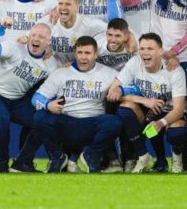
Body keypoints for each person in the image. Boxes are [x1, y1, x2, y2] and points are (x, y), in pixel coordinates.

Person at [31, 36, 122, 173]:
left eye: (87, 53)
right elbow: (36, 98)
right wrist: (48, 105)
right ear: (75, 54)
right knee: (40, 117)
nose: (83, 57)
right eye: (80, 53)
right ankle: (58, 157)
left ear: (96, 55)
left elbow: (131, 84)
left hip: (93, 124)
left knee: (115, 121)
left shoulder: (109, 73)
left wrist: (120, 89)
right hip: (66, 123)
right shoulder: (61, 73)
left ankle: (91, 156)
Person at [0, 16, 56, 173]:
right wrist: (0, 27)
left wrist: (70, 66)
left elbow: (60, 78)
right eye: (33, 35)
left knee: (42, 121)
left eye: (41, 37)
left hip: (15, 101)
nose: (36, 39)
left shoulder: (51, 64)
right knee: (1, 117)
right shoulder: (15, 47)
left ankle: (22, 163)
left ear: (49, 42)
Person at [108, 33, 187, 173]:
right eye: (142, 48)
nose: (145, 53)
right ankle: (143, 156)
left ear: (160, 52)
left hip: (170, 113)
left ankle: (177, 161)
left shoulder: (174, 71)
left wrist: (161, 123)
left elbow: (179, 109)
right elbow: (111, 93)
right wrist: (143, 100)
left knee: (176, 129)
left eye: (150, 49)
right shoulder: (134, 63)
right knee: (125, 108)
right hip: (148, 111)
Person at [48, 0, 107, 68]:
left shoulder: (89, 24)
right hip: (55, 70)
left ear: (77, 7)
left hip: (81, 70)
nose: (63, 7)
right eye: (60, 4)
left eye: (68, 4)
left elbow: (111, 30)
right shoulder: (49, 23)